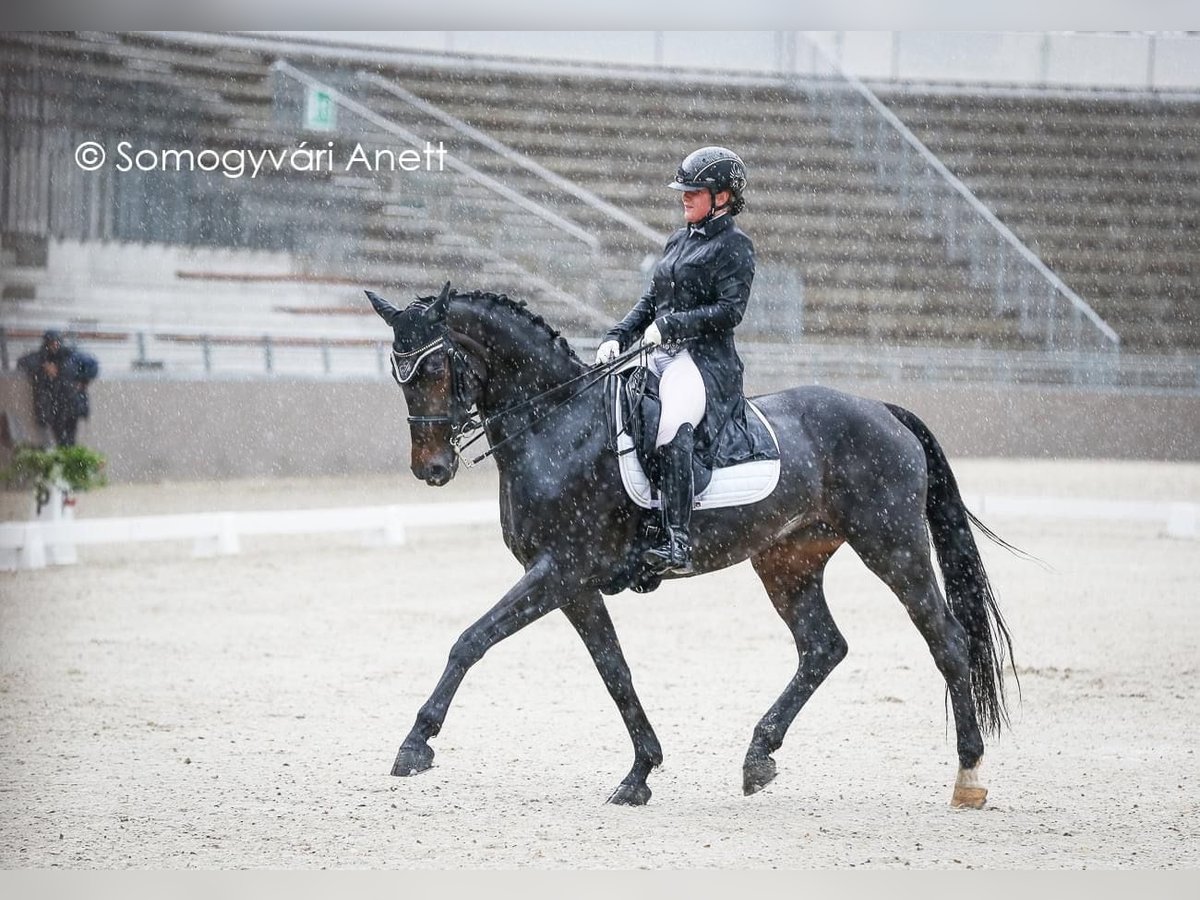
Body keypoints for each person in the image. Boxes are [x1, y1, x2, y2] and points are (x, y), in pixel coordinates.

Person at [596, 146, 755, 576]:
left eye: (693, 190)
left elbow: (729, 311)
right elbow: (652, 300)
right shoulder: (678, 239)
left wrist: (672, 327)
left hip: (702, 362)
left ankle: (677, 540)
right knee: (615, 409)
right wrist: (617, 335)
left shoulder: (735, 246)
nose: (684, 197)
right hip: (659, 351)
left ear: (721, 196)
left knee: (670, 428)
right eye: (683, 190)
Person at [17, 330, 100, 447]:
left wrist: (83, 381)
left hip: (70, 405)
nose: (54, 346)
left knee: (69, 438)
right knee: (60, 438)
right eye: (51, 343)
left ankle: (67, 457)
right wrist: (44, 366)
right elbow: (23, 362)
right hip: (54, 406)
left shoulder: (70, 357)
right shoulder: (42, 358)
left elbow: (92, 366)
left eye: (56, 342)